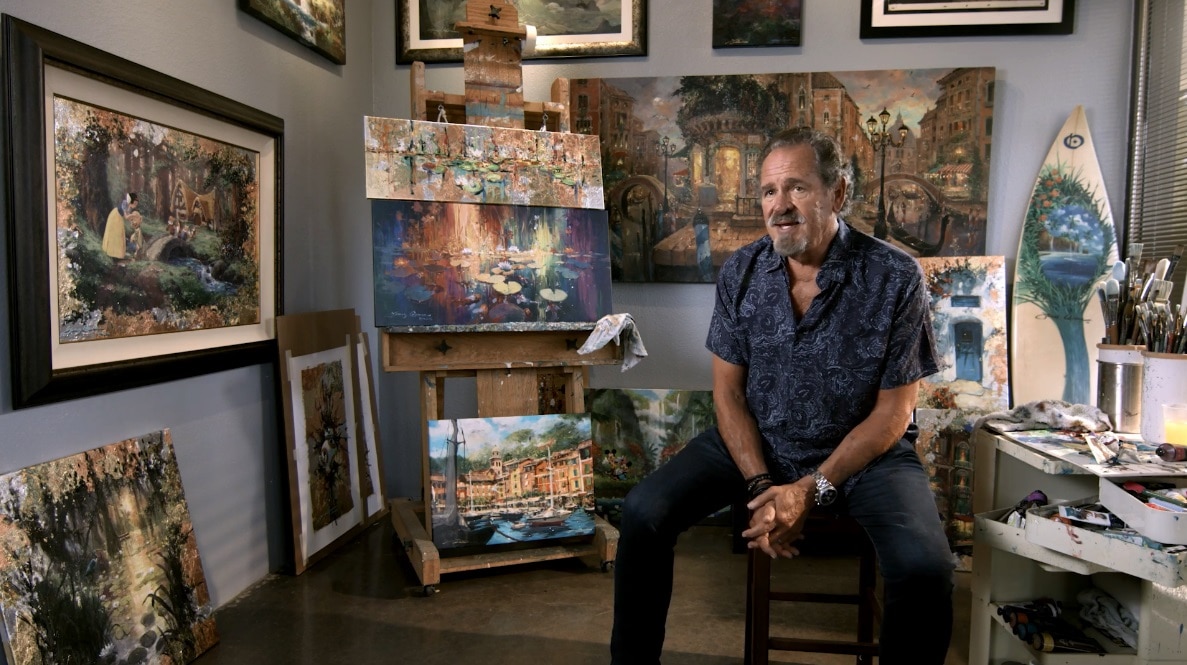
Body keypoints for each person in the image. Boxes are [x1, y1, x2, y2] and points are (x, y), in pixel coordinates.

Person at [609, 126, 954, 665]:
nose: (780, 205)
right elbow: (728, 394)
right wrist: (763, 486)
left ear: (837, 193)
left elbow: (894, 411)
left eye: (797, 187)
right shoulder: (742, 271)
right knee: (642, 512)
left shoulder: (895, 276)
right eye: (770, 191)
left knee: (926, 568)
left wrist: (810, 491)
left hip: (863, 455)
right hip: (758, 440)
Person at [101, 192, 138, 260]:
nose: (135, 205)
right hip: (115, 217)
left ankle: (117, 254)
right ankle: (113, 254)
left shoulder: (128, 206)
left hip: (118, 218)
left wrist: (132, 219)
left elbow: (127, 215)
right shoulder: (125, 204)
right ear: (131, 202)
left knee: (119, 235)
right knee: (116, 234)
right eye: (135, 204)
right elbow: (126, 217)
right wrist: (133, 215)